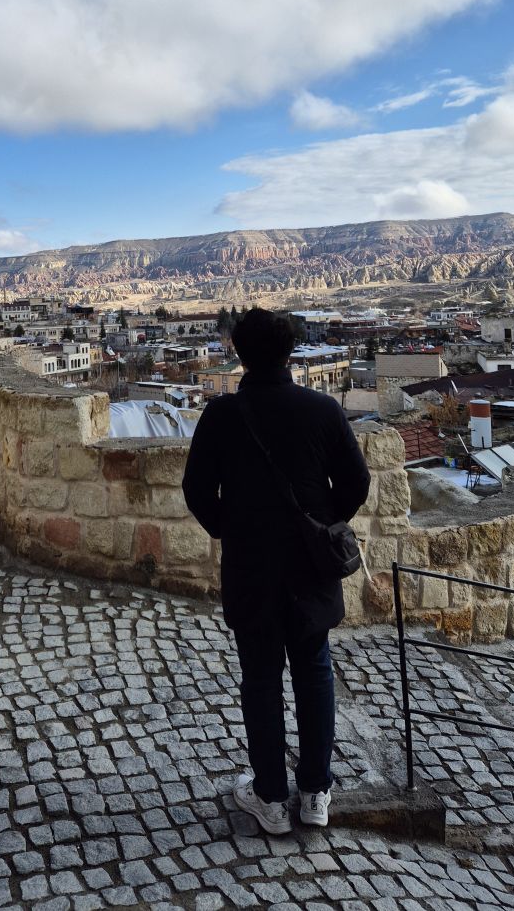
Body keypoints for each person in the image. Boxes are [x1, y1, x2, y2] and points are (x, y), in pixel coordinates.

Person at [182, 308, 370, 834]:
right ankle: (315, 793)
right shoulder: (322, 409)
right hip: (310, 565)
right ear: (290, 353)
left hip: (252, 566)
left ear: (239, 354)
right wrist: (322, 524)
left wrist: (230, 529)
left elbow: (197, 490)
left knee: (261, 679)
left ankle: (269, 797)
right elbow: (357, 482)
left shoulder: (222, 415)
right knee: (314, 671)